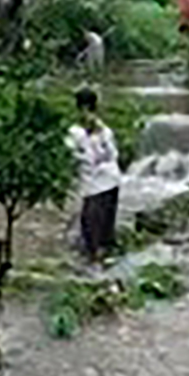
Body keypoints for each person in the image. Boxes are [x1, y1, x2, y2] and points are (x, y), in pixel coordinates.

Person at [68, 87, 122, 262]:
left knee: (93, 228)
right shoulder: (105, 131)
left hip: (98, 184)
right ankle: (100, 259)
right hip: (109, 180)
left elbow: (79, 159)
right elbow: (113, 155)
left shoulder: (78, 133)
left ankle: (94, 262)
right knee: (102, 228)